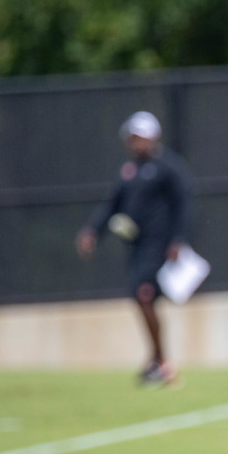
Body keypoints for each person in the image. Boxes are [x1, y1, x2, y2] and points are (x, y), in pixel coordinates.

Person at [76, 112, 191, 386]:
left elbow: (184, 204)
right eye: (132, 138)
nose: (134, 143)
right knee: (141, 298)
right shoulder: (128, 170)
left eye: (139, 137)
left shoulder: (167, 166)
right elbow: (112, 205)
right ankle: (158, 361)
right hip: (136, 247)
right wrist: (93, 230)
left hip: (158, 246)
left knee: (144, 295)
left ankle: (161, 362)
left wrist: (178, 239)